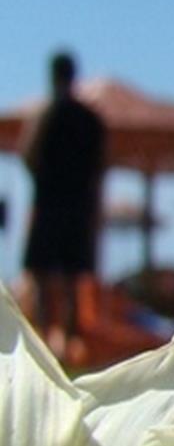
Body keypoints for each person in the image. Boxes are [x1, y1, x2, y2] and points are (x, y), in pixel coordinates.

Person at [19, 49, 106, 358]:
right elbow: (100, 169)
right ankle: (67, 344)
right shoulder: (91, 120)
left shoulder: (46, 115)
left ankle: (46, 342)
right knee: (72, 282)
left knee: (42, 278)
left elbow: (28, 154)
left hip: (49, 206)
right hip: (78, 210)